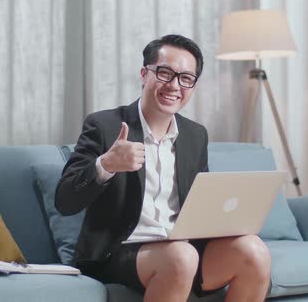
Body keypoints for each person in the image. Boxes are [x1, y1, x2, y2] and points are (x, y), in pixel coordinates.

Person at [55, 34, 271, 302]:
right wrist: (106, 165)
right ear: (144, 74)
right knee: (181, 255)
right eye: (165, 73)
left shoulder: (195, 135)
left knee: (253, 249)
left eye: (185, 78)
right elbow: (65, 201)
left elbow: (198, 204)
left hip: (185, 249)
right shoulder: (104, 125)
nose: (174, 86)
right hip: (120, 252)